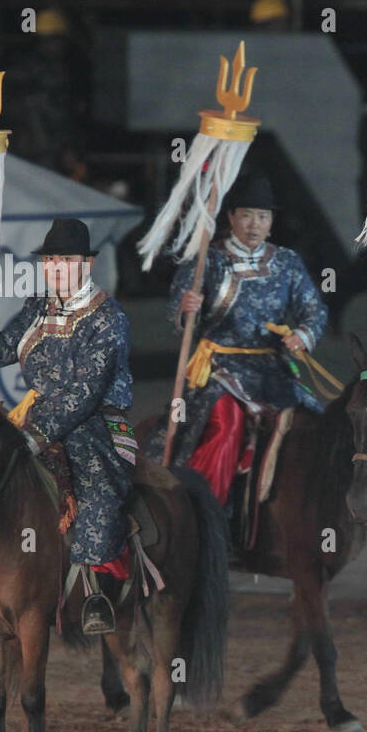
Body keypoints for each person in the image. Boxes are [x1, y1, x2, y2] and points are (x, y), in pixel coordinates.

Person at [0, 218, 134, 635]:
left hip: (98, 422)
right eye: (50, 260)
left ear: (86, 265)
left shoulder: (108, 318)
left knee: (96, 486)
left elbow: (86, 391)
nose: (55, 268)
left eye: (66, 260)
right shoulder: (38, 307)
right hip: (34, 416)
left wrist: (36, 436)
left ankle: (94, 590)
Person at [146, 172, 327, 509]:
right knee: (227, 425)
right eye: (246, 215)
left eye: (262, 216)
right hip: (219, 370)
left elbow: (313, 309)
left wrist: (303, 334)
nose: (254, 224)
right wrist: (189, 310)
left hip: (271, 368)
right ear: (230, 218)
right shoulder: (207, 261)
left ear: (272, 222)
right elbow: (179, 318)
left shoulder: (287, 262)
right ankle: (205, 511)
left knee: (312, 419)